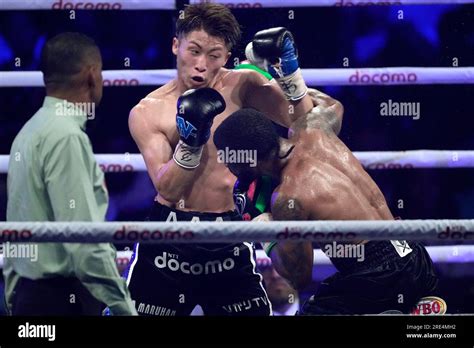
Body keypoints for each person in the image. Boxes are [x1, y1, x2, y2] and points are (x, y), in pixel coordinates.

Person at [125, 2, 314, 316]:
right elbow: (168, 189)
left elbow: (303, 123)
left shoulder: (242, 87)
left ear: (226, 57)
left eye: (213, 55)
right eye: (194, 51)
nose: (201, 65)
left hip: (227, 232)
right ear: (176, 45)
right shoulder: (147, 111)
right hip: (168, 238)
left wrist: (291, 75)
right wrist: (191, 141)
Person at [213, 93, 439, 314]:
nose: (229, 169)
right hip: (413, 256)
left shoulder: (289, 198)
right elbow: (332, 104)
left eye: (229, 160)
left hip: (375, 279)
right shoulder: (314, 130)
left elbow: (299, 277)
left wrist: (263, 226)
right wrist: (273, 81)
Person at [4, 32, 137, 315]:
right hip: (63, 298)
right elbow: (84, 240)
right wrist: (123, 307)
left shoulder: (29, 131)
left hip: (31, 296)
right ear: (91, 75)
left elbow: (15, 230)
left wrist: (15, 295)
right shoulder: (66, 137)